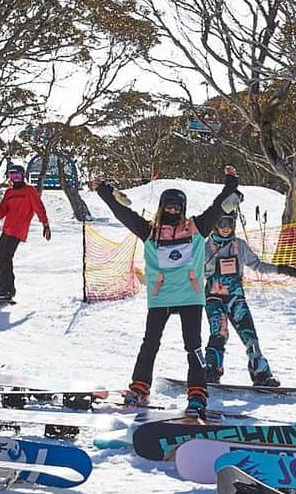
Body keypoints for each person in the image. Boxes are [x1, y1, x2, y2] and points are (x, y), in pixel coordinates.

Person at [92, 168, 242, 420]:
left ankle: (197, 393)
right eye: (168, 206)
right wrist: (103, 190)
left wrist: (231, 183)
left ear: (182, 208)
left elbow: (218, 207)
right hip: (161, 297)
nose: (172, 210)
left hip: (190, 296)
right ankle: (139, 387)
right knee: (150, 343)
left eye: (177, 207)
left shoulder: (196, 227)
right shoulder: (149, 230)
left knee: (193, 346)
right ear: (162, 207)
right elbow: (122, 212)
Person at [204, 211, 296, 386]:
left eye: (229, 223)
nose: (225, 228)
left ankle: (261, 374)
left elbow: (257, 265)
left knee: (249, 335)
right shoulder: (206, 246)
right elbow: (192, 271)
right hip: (214, 297)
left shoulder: (239, 245)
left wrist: (281, 269)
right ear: (215, 225)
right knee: (219, 333)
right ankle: (211, 370)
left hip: (236, 297)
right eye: (221, 223)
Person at [0, 164, 51, 301]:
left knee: (5, 257)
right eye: (12, 176)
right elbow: (3, 207)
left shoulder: (29, 191)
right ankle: (3, 286)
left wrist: (45, 224)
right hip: (7, 228)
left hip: (18, 230)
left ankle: (7, 290)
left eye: (17, 176)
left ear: (23, 177)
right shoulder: (9, 193)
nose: (15, 179)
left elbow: (39, 207)